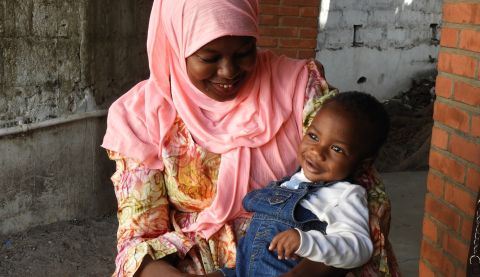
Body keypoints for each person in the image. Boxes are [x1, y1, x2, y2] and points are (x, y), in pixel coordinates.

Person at [101, 0, 400, 276]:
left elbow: (368, 198)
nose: (228, 71)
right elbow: (138, 242)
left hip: (304, 263)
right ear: (177, 45)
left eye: (244, 52)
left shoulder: (296, 86)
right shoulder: (141, 116)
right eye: (209, 57)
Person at [220, 92, 388, 277]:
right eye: (314, 136)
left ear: (363, 163)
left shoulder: (344, 195)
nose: (317, 152)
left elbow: (359, 248)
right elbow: (247, 265)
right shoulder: (291, 183)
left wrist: (306, 241)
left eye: (337, 149)